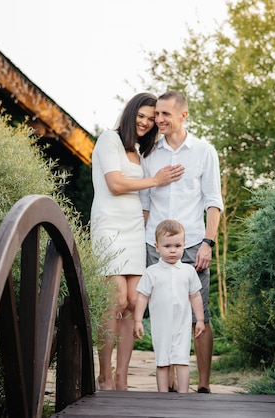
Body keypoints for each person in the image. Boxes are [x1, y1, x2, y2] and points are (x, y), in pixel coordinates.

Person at [90, 92, 185, 391]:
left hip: (134, 228)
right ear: (130, 114)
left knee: (133, 303)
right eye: (140, 116)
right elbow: (115, 184)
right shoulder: (110, 140)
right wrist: (156, 180)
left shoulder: (141, 151)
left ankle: (122, 376)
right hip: (109, 226)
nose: (145, 122)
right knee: (114, 301)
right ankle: (104, 374)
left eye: (150, 117)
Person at [140, 90, 223, 394]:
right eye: (156, 114)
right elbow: (145, 204)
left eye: (165, 114)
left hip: (193, 246)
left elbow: (214, 201)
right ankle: (170, 383)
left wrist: (208, 243)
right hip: (154, 246)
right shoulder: (148, 153)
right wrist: (142, 244)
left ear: (183, 116)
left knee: (200, 315)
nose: (158, 119)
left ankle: (202, 384)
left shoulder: (204, 152)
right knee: (163, 314)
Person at [133, 219, 205, 393]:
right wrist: (137, 320)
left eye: (177, 245)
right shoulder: (152, 272)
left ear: (184, 245)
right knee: (163, 362)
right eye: (167, 246)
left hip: (182, 325)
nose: (173, 250)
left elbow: (195, 296)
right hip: (161, 327)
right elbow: (142, 297)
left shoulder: (188, 271)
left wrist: (200, 320)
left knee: (182, 360)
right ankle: (162, 396)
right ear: (157, 247)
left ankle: (184, 395)